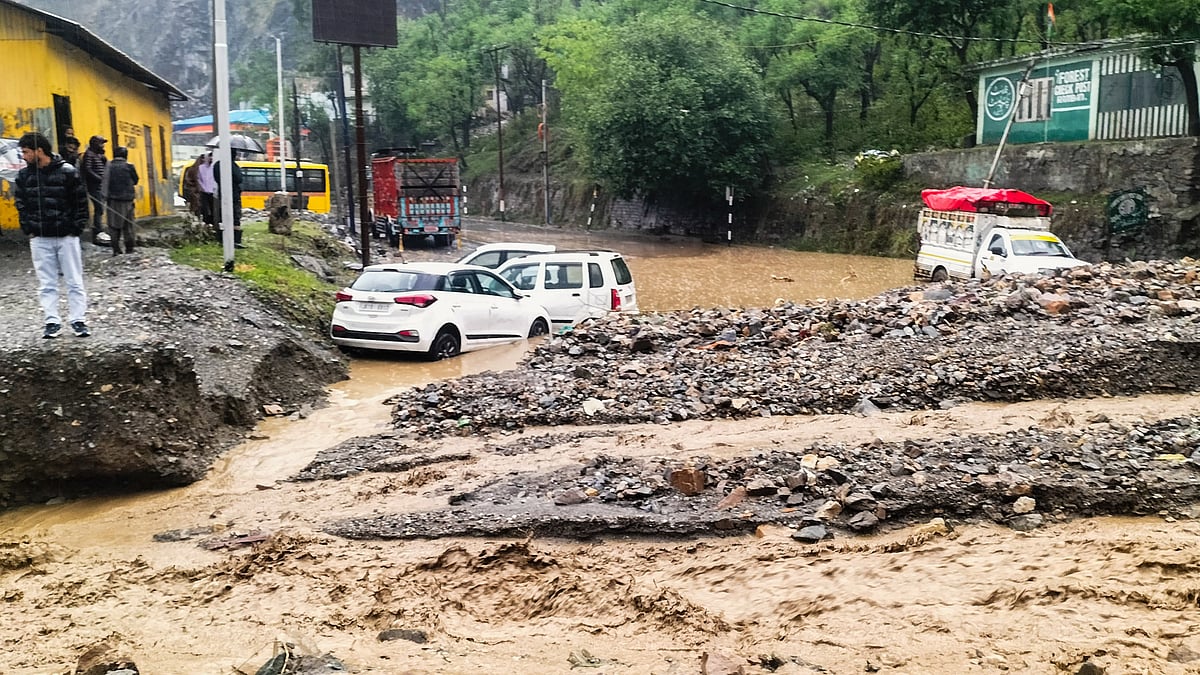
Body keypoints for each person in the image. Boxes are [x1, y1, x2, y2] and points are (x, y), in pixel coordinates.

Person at [13, 132, 90, 338]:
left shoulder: (67, 172)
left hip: (66, 237)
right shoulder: (24, 176)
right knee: (46, 282)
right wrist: (28, 228)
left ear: (39, 151)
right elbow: (21, 204)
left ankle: (78, 320)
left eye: (26, 151)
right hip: (39, 237)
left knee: (74, 280)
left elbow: (80, 203)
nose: (24, 156)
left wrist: (76, 228)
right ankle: (52, 321)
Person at [100, 146, 139, 255]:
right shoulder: (130, 166)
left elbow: (105, 181)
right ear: (126, 155)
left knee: (113, 225)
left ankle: (116, 249)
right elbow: (135, 180)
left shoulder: (109, 166)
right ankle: (129, 248)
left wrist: (104, 197)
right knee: (128, 225)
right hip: (128, 200)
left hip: (113, 200)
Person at [80, 134, 108, 244]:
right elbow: (88, 169)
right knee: (99, 208)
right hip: (94, 186)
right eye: (101, 143)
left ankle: (99, 230)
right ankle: (98, 230)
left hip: (100, 186)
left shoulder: (97, 155)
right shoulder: (89, 154)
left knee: (100, 209)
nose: (102, 146)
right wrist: (98, 178)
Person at [212, 153, 245, 248]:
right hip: (233, 194)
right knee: (235, 217)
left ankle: (222, 239)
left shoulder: (217, 165)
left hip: (221, 193)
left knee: (222, 216)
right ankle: (236, 240)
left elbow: (216, 178)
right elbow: (239, 179)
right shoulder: (232, 165)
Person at [197, 152, 216, 228]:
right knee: (205, 208)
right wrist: (202, 187)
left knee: (212, 207)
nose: (210, 158)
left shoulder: (213, 167)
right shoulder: (201, 168)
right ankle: (206, 222)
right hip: (204, 191)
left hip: (212, 191)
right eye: (209, 157)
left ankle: (213, 222)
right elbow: (199, 179)